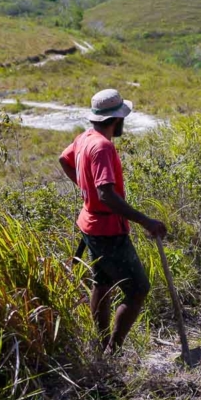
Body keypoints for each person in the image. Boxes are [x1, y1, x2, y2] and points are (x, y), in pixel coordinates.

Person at [59, 89, 167, 355]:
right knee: (138, 289)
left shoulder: (85, 138)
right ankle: (112, 351)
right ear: (117, 119)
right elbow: (107, 194)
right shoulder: (102, 147)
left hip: (89, 224)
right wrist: (145, 221)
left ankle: (100, 345)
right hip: (107, 230)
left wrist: (86, 188)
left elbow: (64, 158)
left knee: (102, 283)